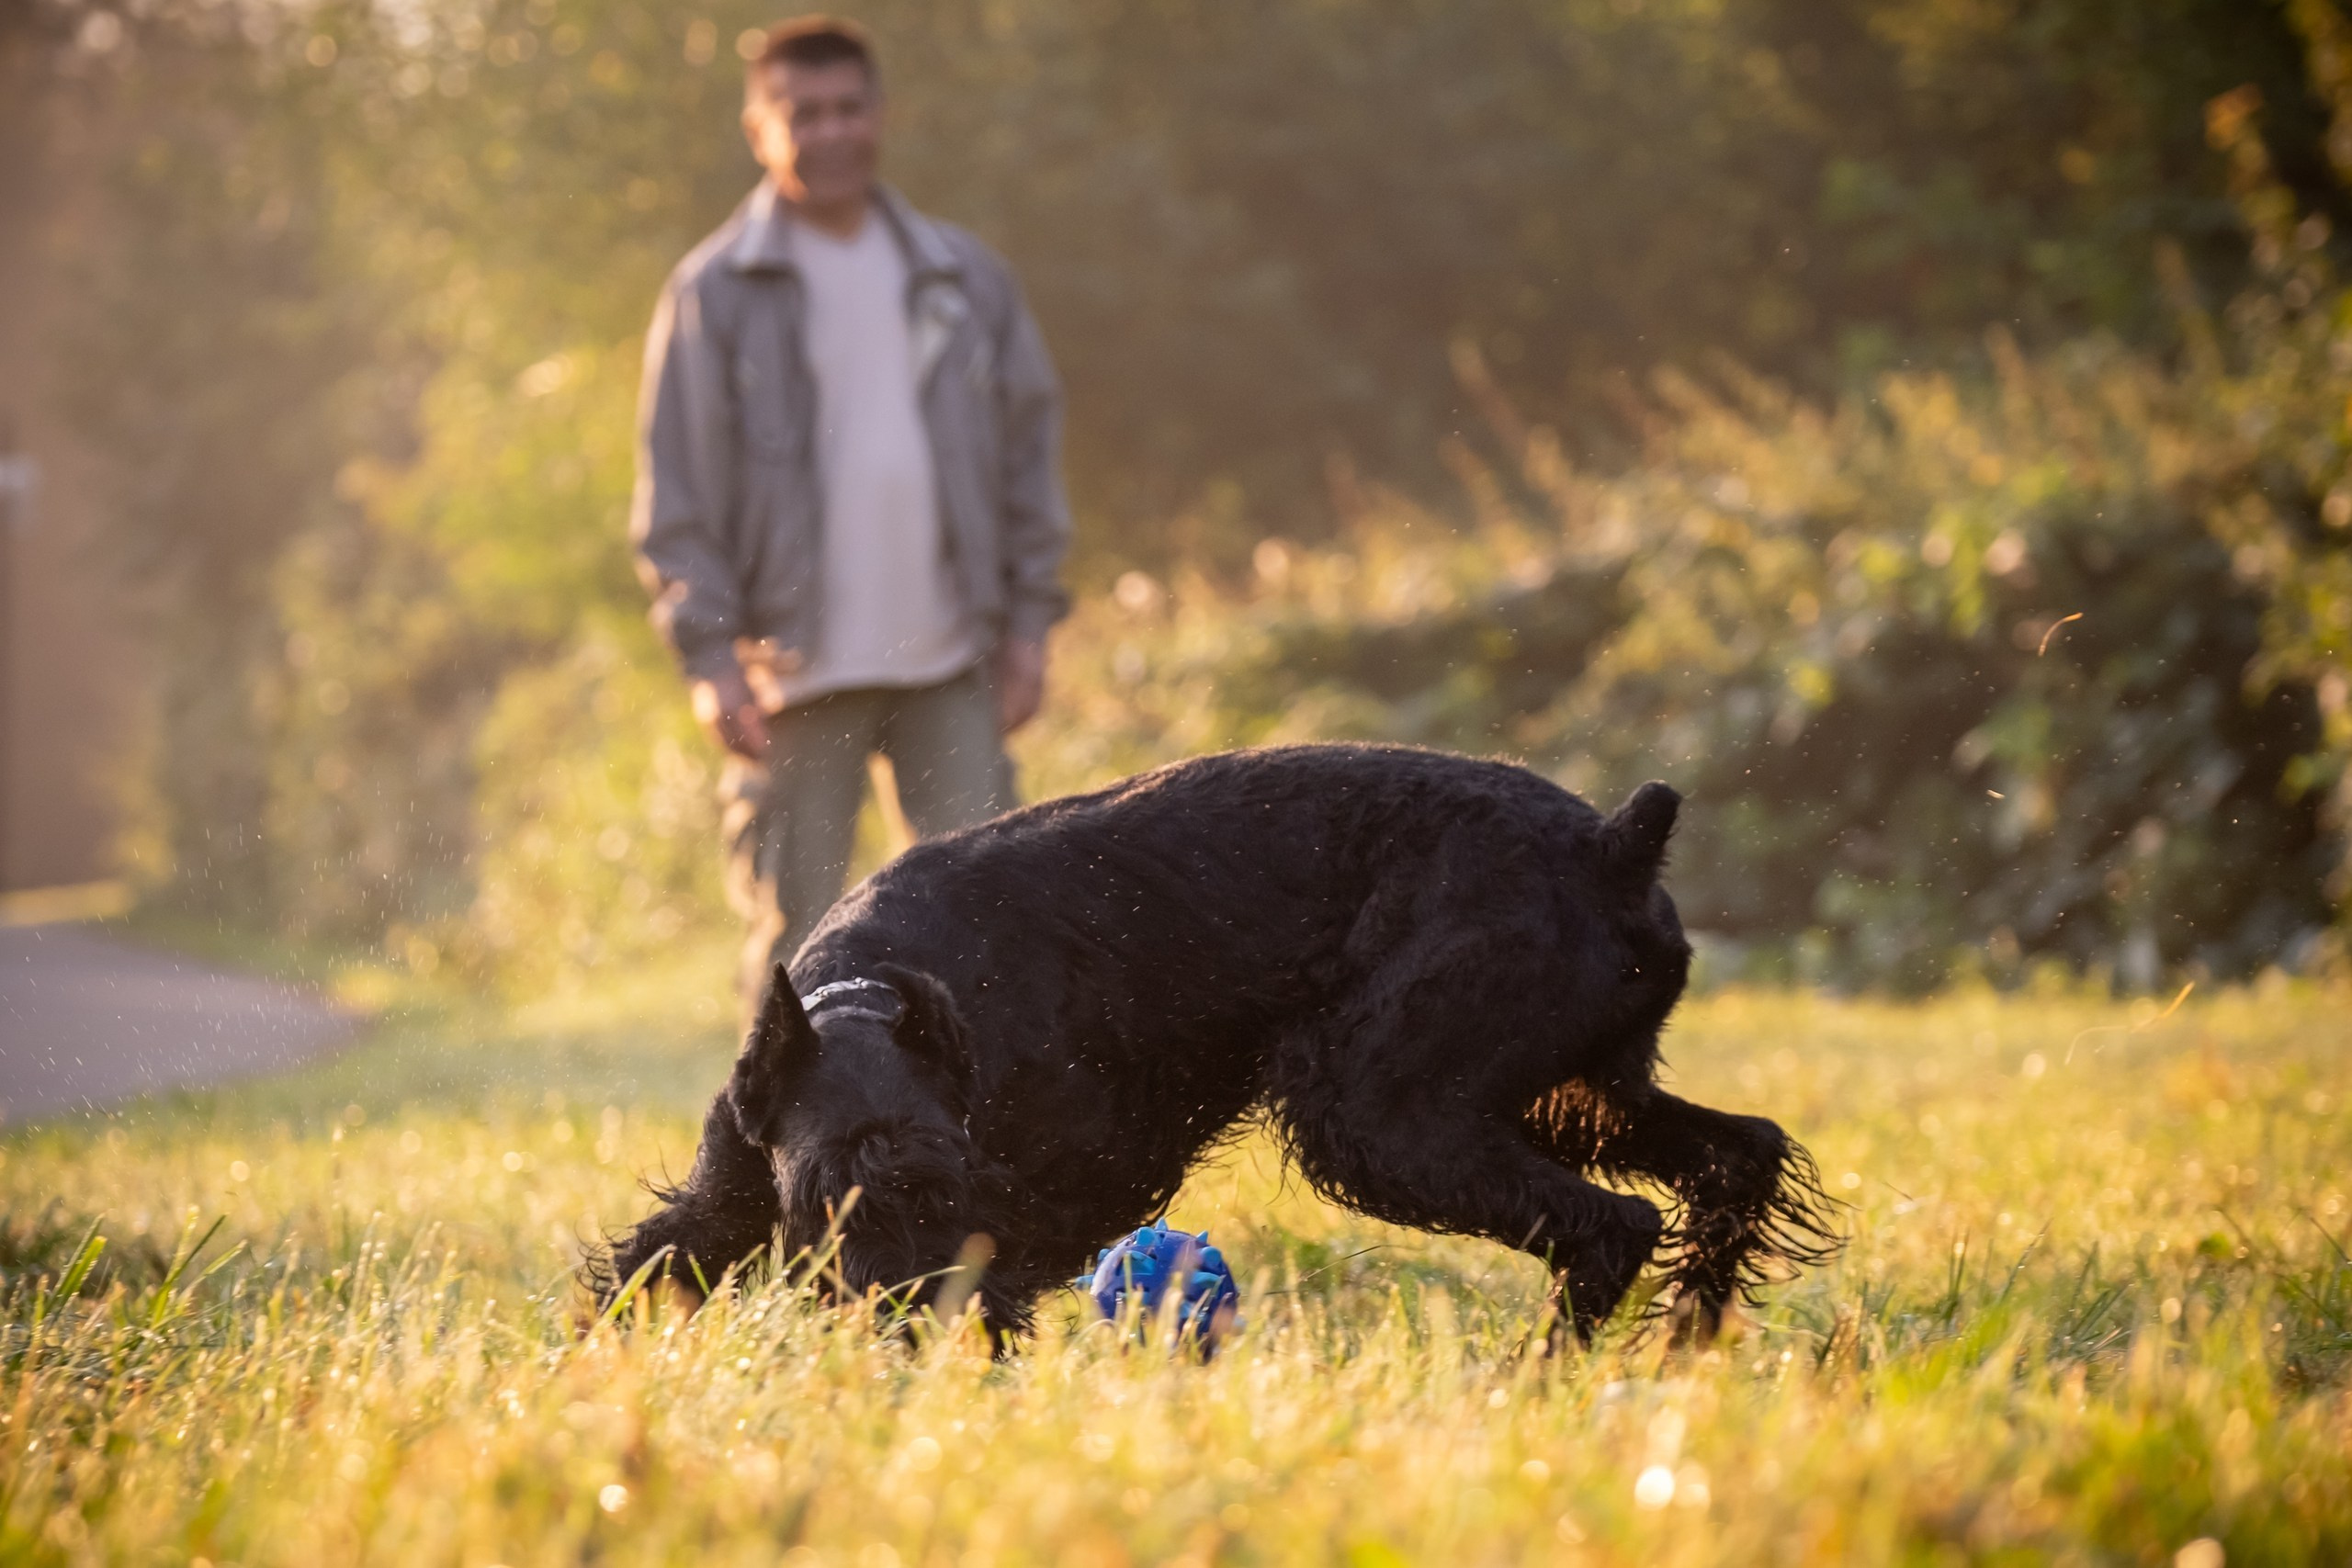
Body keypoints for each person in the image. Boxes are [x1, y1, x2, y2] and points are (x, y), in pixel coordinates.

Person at [631, 16, 1070, 996]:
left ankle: (974, 1146)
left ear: (880, 114)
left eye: (847, 109)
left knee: (988, 927)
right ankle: (780, 1153)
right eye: (802, 114)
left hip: (952, 659)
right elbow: (677, 495)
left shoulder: (960, 276)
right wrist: (710, 661)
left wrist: (1029, 626)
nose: (829, 133)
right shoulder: (712, 294)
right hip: (787, 678)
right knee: (796, 946)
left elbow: (1025, 455)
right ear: (759, 129)